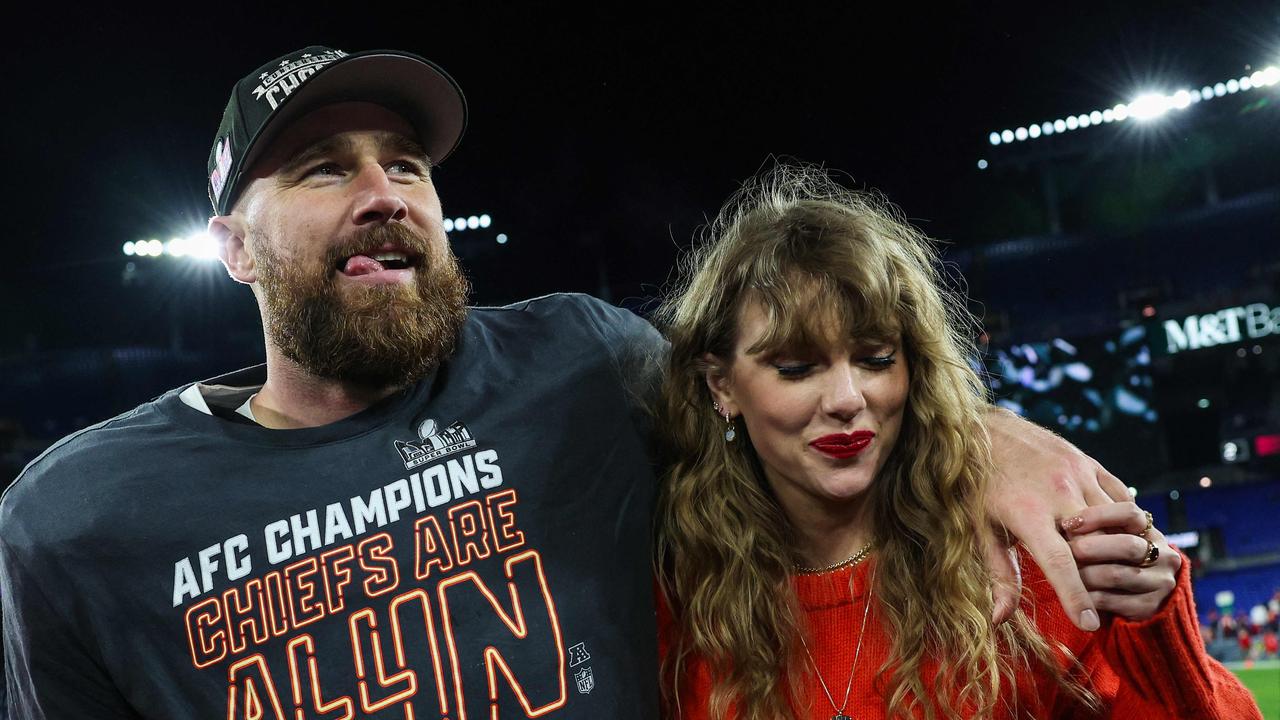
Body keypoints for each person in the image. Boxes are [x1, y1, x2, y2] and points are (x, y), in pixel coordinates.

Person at [0, 47, 1137, 719]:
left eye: (405, 164)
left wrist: (985, 433)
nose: (384, 188)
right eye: (320, 169)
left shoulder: (583, 364)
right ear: (232, 248)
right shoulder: (79, 519)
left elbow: (799, 392)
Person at [654, 163, 1263, 719]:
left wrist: (1152, 621)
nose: (846, 397)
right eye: (796, 367)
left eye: (875, 358)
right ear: (720, 386)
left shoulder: (1017, 564)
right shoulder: (672, 602)